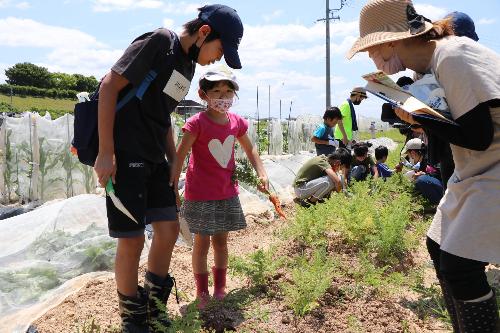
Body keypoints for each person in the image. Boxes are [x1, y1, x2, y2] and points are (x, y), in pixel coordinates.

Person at [348, 1, 500, 331]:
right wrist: (410, 109)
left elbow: (477, 135)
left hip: (493, 169)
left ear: (389, 40)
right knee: (439, 245)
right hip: (475, 170)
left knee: (460, 265)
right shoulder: (428, 67)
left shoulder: (453, 55)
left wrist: (417, 115)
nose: (371, 59)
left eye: (370, 49)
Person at [93, 4, 244, 331]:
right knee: (132, 239)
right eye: (220, 49)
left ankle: (154, 303)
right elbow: (108, 87)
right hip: (125, 153)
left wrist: (173, 161)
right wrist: (106, 152)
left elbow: (163, 119)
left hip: (155, 159)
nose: (218, 58)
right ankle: (133, 318)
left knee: (168, 229)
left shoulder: (187, 69)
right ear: (204, 33)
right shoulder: (160, 42)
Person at [172, 67, 269, 309]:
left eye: (228, 92)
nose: (223, 97)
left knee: (222, 243)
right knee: (202, 244)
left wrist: (262, 172)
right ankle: (202, 292)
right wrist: (173, 188)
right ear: (203, 95)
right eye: (216, 91)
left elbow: (250, 149)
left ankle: (220, 288)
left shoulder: (236, 122)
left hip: (226, 191)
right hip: (200, 194)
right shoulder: (197, 123)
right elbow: (180, 155)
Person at [400, 138, 443, 205]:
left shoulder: (429, 160)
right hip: (441, 185)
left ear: (413, 153)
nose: (409, 158)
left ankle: (438, 204)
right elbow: (405, 161)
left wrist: (424, 173)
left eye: (408, 155)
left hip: (445, 188)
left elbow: (439, 174)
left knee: (421, 180)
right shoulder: (422, 158)